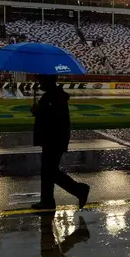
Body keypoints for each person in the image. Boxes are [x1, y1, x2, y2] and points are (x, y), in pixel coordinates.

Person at [30, 74, 90, 210]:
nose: (39, 83)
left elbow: (53, 120)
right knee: (48, 171)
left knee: (49, 171)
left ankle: (79, 189)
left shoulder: (54, 97)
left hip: (54, 139)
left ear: (48, 81)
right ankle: (47, 200)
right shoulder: (54, 95)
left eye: (41, 80)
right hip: (53, 138)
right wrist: (38, 112)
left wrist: (38, 112)